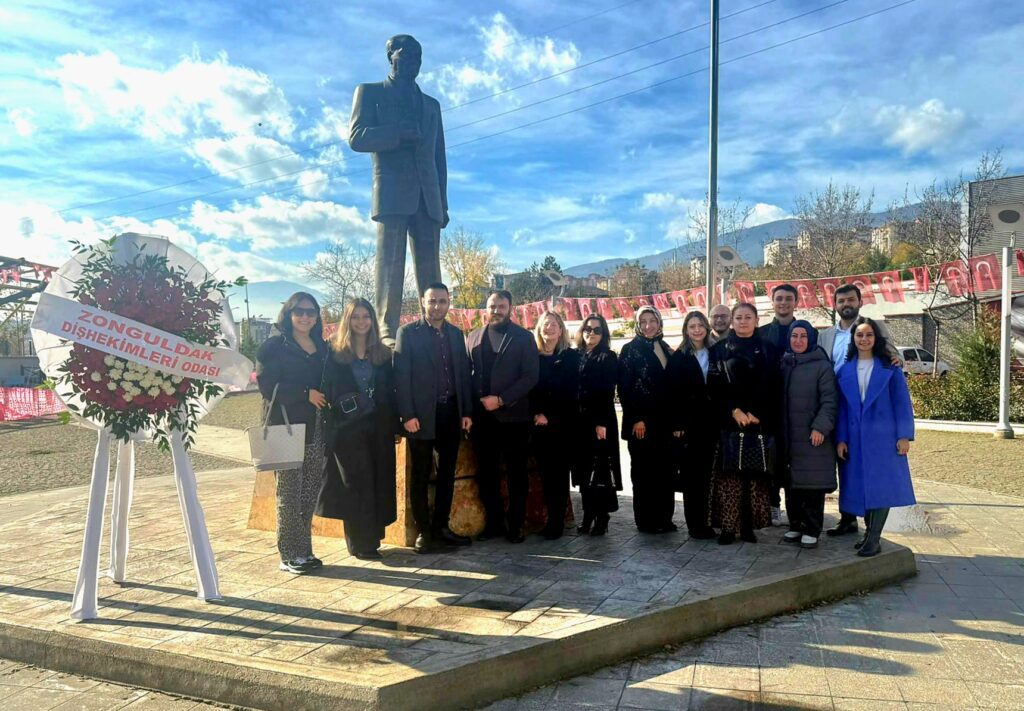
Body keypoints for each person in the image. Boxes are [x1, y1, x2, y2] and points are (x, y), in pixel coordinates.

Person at [348, 34, 448, 343]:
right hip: (392, 193)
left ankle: (433, 325)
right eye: (406, 58)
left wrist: (442, 203)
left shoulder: (431, 105)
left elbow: (439, 158)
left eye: (418, 60)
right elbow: (357, 137)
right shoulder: (371, 92)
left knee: (431, 268)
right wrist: (397, 134)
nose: (412, 64)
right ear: (391, 57)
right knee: (390, 264)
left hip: (428, 197)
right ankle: (386, 328)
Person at [394, 282, 473, 554]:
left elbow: (463, 376)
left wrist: (466, 412)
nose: (437, 305)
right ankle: (424, 533)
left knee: (447, 473)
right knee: (420, 474)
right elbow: (401, 378)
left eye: (442, 300)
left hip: (451, 412)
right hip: (421, 416)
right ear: (422, 303)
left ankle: (441, 527)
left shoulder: (455, 333)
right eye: (432, 301)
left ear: (449, 302)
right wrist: (407, 414)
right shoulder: (408, 334)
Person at [316, 298, 398, 560]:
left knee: (377, 480)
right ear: (347, 320)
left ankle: (372, 539)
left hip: (378, 427)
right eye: (356, 317)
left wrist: (394, 426)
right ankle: (358, 542)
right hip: (347, 428)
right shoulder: (334, 353)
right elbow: (326, 387)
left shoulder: (383, 355)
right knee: (354, 483)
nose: (361, 322)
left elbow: (391, 392)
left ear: (372, 321)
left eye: (366, 317)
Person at [818, 284, 902, 538]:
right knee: (844, 462)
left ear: (859, 302)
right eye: (841, 300)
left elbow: (893, 356)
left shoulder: (872, 328)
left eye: (850, 299)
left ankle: (870, 524)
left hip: (865, 408)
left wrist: (898, 360)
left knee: (866, 465)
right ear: (835, 304)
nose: (846, 304)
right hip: (836, 404)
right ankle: (847, 518)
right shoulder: (825, 336)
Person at [255, 293, 330, 574]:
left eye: (311, 311)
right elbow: (266, 386)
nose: (305, 316)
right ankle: (289, 554)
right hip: (284, 426)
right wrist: (304, 394)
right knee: (288, 492)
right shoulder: (274, 347)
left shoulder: (321, 347)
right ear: (288, 313)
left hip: (315, 425)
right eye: (299, 311)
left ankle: (304, 550)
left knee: (309, 491)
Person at [836, 318, 916, 557]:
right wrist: (841, 438)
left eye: (868, 335)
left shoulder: (890, 369)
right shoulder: (844, 370)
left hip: (884, 438)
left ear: (876, 338)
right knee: (861, 487)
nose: (864, 339)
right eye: (859, 335)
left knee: (881, 487)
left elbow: (903, 404)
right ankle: (867, 533)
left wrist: (904, 436)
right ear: (853, 339)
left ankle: (874, 538)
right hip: (855, 438)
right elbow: (841, 408)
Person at [466, 290, 540, 543]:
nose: (496, 310)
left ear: (511, 308)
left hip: (513, 418)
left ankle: (516, 524)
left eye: (501, 306)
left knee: (516, 474)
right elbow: (468, 376)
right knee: (486, 474)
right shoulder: (473, 337)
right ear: (485, 308)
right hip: (482, 420)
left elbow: (530, 376)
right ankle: (494, 523)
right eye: (491, 306)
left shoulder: (523, 338)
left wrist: (501, 400)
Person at [708, 303, 781, 545]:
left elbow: (775, 386)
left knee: (754, 478)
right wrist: (735, 410)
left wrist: (757, 413)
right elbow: (714, 386)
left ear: (757, 320)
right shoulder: (719, 349)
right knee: (730, 479)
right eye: (738, 317)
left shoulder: (769, 349)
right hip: (730, 422)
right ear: (732, 321)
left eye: (748, 317)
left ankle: (749, 528)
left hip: (759, 422)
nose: (742, 321)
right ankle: (729, 528)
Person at [779, 321, 838, 549]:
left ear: (811, 339)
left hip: (812, 436)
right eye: (794, 336)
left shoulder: (822, 366)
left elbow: (830, 401)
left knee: (812, 485)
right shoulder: (784, 364)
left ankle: (812, 528)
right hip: (789, 436)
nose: (798, 340)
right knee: (792, 485)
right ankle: (795, 524)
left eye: (803, 336)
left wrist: (820, 427)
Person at [618, 306, 676, 533]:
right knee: (644, 473)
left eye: (652, 320)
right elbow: (624, 388)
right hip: (641, 423)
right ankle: (646, 520)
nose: (648, 325)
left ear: (660, 323)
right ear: (637, 324)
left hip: (664, 423)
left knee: (665, 472)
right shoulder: (629, 350)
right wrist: (636, 419)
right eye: (643, 321)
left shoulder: (665, 348)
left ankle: (664, 518)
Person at [530, 311, 580, 539]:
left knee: (559, 477)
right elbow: (527, 388)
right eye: (545, 324)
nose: (549, 328)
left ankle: (557, 522)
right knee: (545, 476)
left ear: (561, 330)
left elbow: (570, 391)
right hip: (538, 428)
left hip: (562, 426)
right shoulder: (532, 357)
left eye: (553, 325)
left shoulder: (570, 356)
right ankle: (551, 519)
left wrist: (549, 415)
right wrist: (536, 413)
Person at [668, 311, 717, 539]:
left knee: (708, 476)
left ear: (706, 328)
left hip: (711, 425)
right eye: (692, 326)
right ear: (686, 330)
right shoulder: (679, 357)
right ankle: (696, 525)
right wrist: (677, 423)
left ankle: (709, 520)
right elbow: (672, 393)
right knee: (692, 478)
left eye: (700, 325)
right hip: (688, 427)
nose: (696, 330)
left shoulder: (715, 353)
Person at [572, 314, 622, 536]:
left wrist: (601, 423)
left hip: (599, 421)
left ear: (604, 334)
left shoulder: (607, 357)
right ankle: (588, 514)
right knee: (584, 472)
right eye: (588, 329)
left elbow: (607, 391)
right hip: (580, 422)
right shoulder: (577, 356)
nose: (591, 333)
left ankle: (602, 515)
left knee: (601, 470)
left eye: (597, 330)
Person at [758, 283, 798, 524]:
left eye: (788, 299)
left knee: (795, 458)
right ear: (772, 302)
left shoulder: (805, 331)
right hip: (768, 407)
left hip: (797, 406)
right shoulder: (761, 333)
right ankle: (772, 504)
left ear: (796, 302)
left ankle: (796, 509)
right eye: (779, 298)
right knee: (769, 457)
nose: (783, 302)